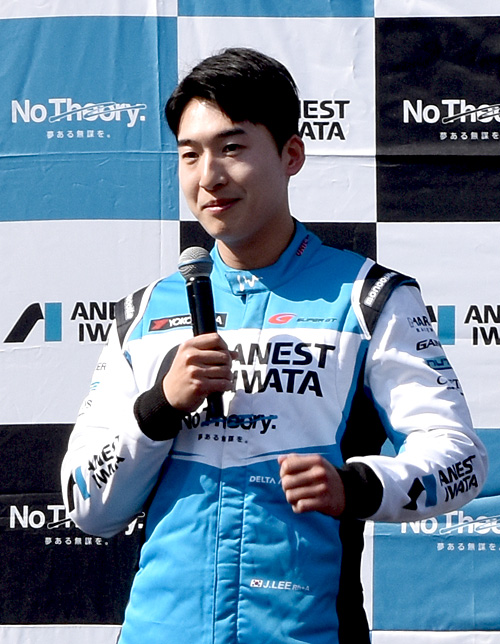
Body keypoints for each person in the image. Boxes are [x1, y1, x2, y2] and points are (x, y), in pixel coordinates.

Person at [61, 48, 488, 643]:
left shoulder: (370, 298)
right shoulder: (145, 311)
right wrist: (160, 406)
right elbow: (87, 505)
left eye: (232, 148)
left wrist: (355, 485)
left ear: (292, 155)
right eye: (190, 154)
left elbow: (461, 458)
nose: (209, 177)